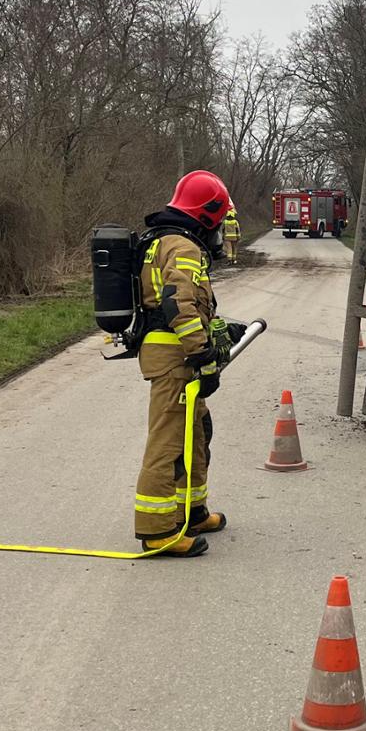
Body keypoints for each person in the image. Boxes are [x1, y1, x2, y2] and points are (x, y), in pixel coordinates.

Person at [132, 170, 236, 557]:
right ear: (207, 215)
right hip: (175, 354)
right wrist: (201, 352)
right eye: (220, 220)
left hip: (176, 351)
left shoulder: (166, 240)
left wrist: (216, 334)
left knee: (196, 432)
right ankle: (157, 530)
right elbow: (179, 303)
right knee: (168, 441)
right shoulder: (183, 247)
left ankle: (191, 511)